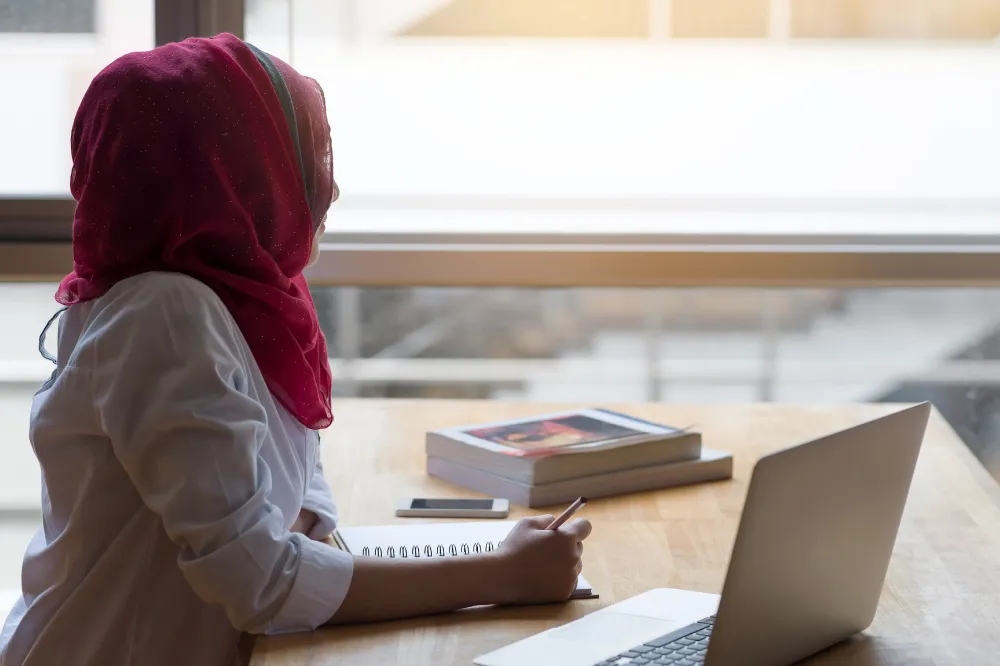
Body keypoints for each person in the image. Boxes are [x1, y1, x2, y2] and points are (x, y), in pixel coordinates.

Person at [0, 33, 591, 666]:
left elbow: (300, 480)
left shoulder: (232, 300)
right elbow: (260, 585)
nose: (325, 189)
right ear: (230, 173)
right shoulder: (163, 314)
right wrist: (500, 576)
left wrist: (297, 544)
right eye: (295, 155)